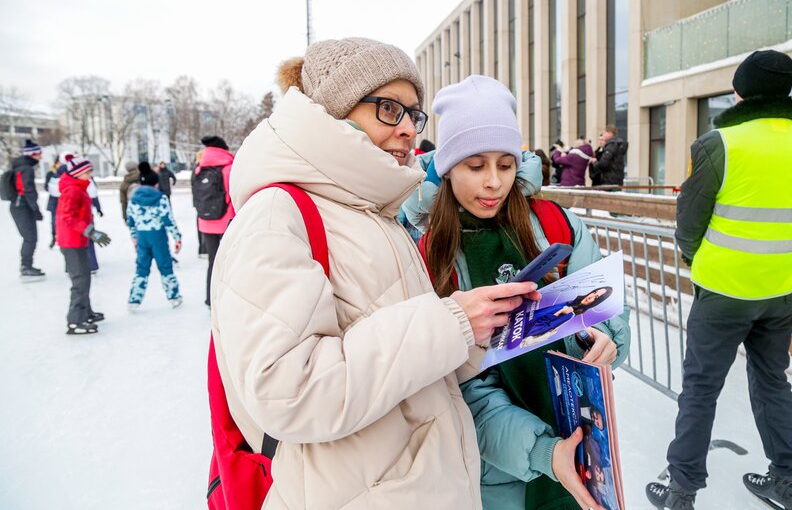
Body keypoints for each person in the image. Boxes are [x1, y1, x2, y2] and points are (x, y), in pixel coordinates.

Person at [211, 37, 539, 509]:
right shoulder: (275, 215)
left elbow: (409, 369)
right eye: (389, 109)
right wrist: (451, 321)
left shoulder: (369, 214)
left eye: (413, 113)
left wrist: (477, 329)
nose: (408, 129)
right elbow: (288, 391)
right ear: (334, 111)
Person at [413, 75, 630, 510]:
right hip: (495, 472)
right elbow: (463, 388)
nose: (493, 182)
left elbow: (608, 317)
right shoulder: (428, 250)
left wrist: (602, 340)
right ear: (448, 166)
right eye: (475, 166)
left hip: (582, 443)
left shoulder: (556, 224)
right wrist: (543, 454)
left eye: (505, 164)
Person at [646, 50, 792, 510]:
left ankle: (681, 492)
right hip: (778, 291)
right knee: (773, 383)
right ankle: (787, 485)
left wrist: (697, 261)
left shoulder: (719, 143)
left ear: (742, 90)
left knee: (701, 390)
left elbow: (689, 222)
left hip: (723, 292)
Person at [56, 156, 111, 334]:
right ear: (78, 174)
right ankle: (75, 320)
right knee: (79, 279)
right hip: (71, 241)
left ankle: (85, 312)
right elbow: (68, 217)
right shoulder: (72, 190)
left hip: (78, 239)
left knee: (85, 276)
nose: (90, 174)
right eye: (87, 172)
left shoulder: (79, 188)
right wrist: (91, 232)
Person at [127, 162, 182, 310]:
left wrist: (134, 238)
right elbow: (168, 220)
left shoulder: (133, 200)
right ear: (156, 183)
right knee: (165, 267)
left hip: (142, 237)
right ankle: (174, 296)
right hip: (158, 237)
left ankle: (134, 299)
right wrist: (177, 237)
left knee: (141, 269)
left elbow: (130, 221)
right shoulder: (161, 198)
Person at [193, 136, 234, 307]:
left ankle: (210, 299)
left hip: (205, 222)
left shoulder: (199, 169)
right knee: (231, 262)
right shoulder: (229, 168)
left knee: (212, 261)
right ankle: (228, 299)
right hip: (227, 222)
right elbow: (235, 194)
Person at [8, 139, 45, 280]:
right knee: (30, 238)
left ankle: (27, 266)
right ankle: (25, 267)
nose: (41, 157)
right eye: (39, 154)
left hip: (20, 206)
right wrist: (35, 209)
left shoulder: (21, 166)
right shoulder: (26, 169)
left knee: (30, 237)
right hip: (22, 206)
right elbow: (26, 190)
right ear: (33, 154)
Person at [86, 177, 103, 273]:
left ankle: (92, 265)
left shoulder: (89, 180)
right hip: (79, 218)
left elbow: (94, 195)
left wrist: (98, 208)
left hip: (87, 216)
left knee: (89, 239)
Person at [44, 157, 61, 248]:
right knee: (54, 221)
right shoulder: (50, 174)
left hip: (63, 200)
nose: (60, 165)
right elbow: (46, 187)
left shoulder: (65, 173)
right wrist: (53, 187)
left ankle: (61, 237)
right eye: (58, 163)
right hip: (54, 201)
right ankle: (54, 237)